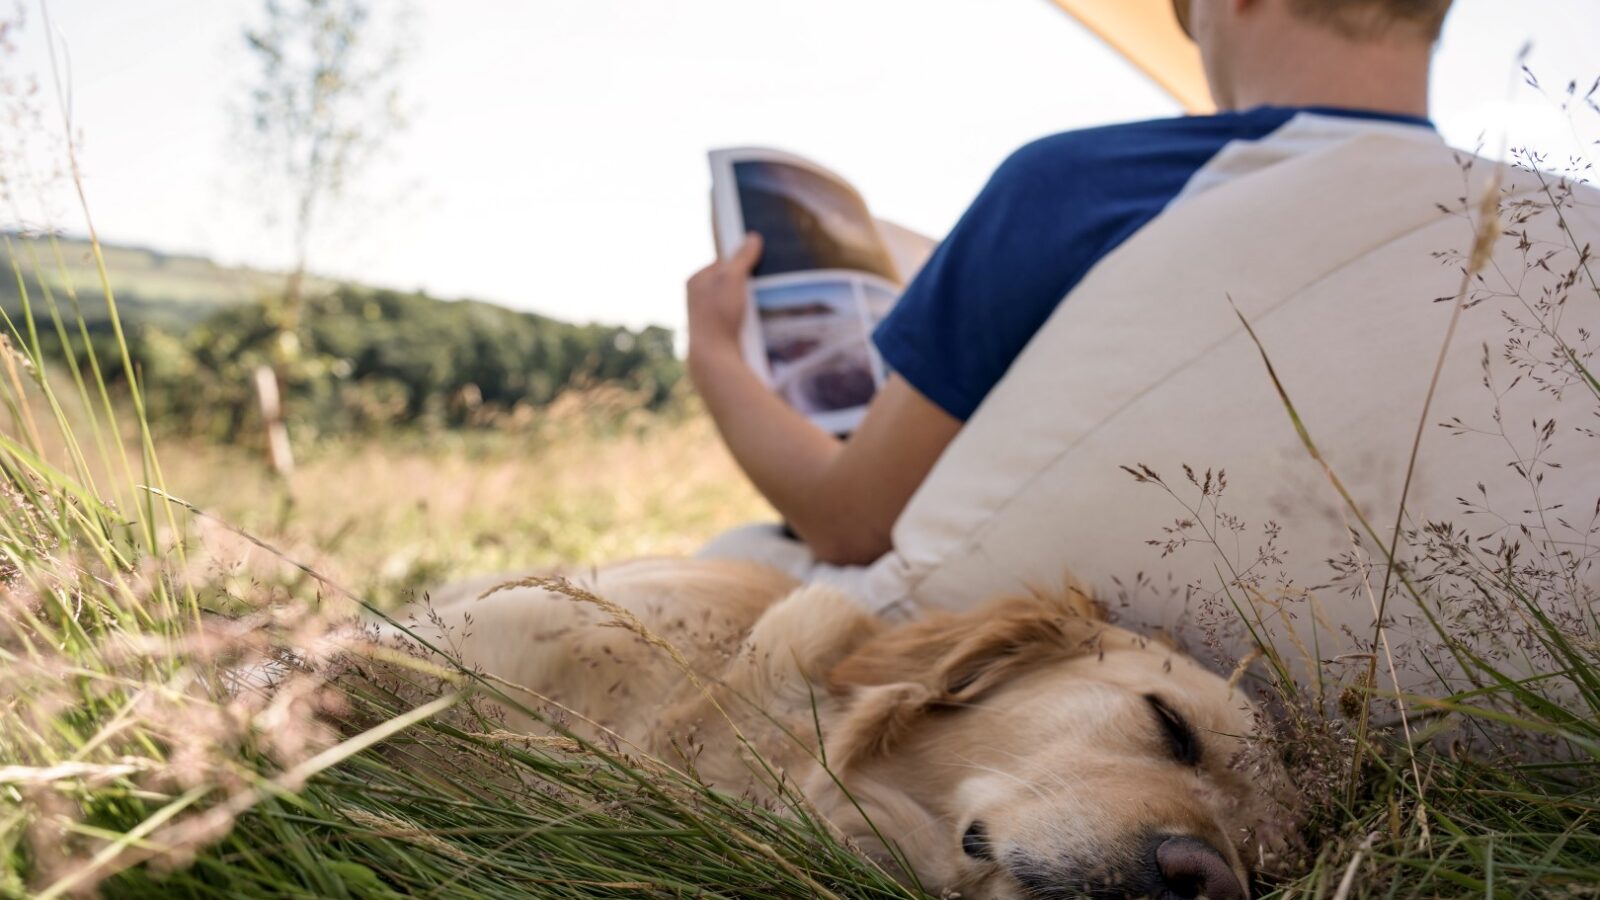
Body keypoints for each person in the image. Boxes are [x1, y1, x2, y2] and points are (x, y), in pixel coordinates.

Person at [686, 0, 1452, 569]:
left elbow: (849, 525)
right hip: (1465, 715)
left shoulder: (1077, 189)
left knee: (738, 555)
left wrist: (716, 354)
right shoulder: (1556, 226)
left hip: (1110, 678)